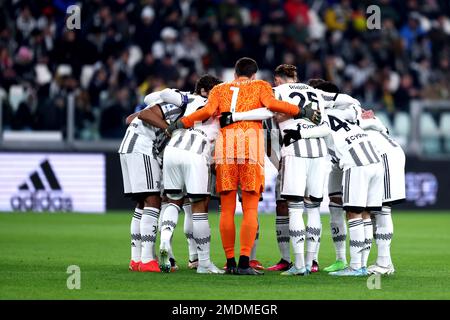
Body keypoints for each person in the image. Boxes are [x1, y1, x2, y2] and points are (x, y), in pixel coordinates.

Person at [166, 57, 319, 275]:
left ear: (235, 73)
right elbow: (273, 105)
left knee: (227, 208)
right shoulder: (260, 86)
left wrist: (181, 123)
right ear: (254, 74)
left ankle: (230, 262)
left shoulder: (220, 89)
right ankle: (245, 262)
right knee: (249, 208)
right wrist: (302, 111)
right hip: (250, 147)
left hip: (226, 148)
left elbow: (207, 112)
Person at [118, 89, 186, 272]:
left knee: (141, 203)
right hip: (142, 149)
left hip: (128, 147)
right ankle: (148, 259)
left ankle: (136, 258)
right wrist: (167, 127)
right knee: (153, 200)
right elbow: (145, 114)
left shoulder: (156, 105)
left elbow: (130, 119)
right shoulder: (179, 105)